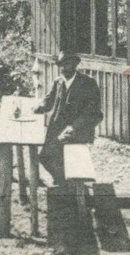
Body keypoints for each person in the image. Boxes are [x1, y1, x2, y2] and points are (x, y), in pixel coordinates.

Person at [34, 51, 103, 184]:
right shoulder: (58, 82)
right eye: (61, 65)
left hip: (78, 131)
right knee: (44, 157)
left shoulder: (88, 83)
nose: (64, 68)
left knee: (61, 156)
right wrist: (37, 107)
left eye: (68, 64)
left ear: (76, 65)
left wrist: (74, 127)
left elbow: (94, 112)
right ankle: (62, 181)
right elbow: (48, 101)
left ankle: (67, 184)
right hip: (58, 129)